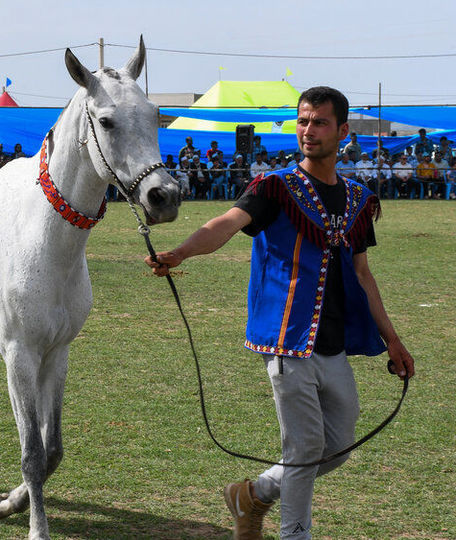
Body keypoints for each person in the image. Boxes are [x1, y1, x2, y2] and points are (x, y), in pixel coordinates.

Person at [145, 86, 414, 540]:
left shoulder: (357, 200)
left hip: (333, 345)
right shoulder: (275, 188)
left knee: (338, 446)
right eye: (303, 121)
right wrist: (181, 252)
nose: (308, 131)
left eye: (320, 122)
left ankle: (253, 494)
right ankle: (295, 534)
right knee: (305, 446)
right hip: (286, 339)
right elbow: (225, 224)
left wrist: (393, 339)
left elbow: (364, 275)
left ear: (343, 131)